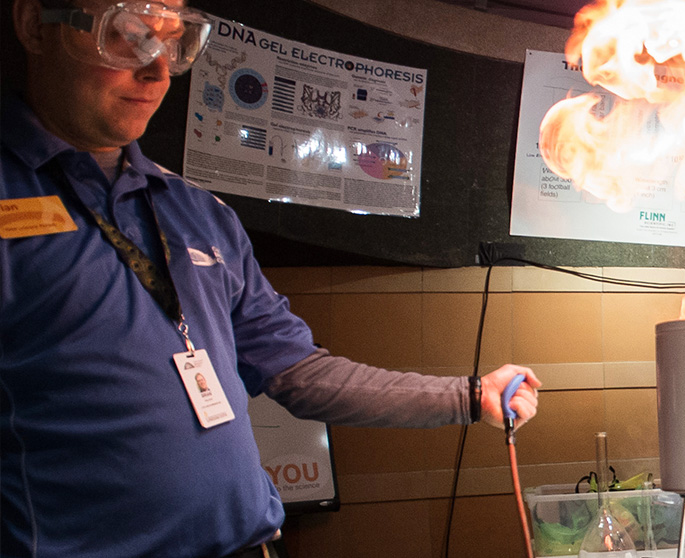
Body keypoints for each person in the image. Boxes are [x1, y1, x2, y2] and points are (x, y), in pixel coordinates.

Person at [1, 1, 541, 555]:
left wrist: (470, 396)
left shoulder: (196, 212)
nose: (158, 70)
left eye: (173, 42)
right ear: (33, 25)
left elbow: (300, 373)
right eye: (129, 37)